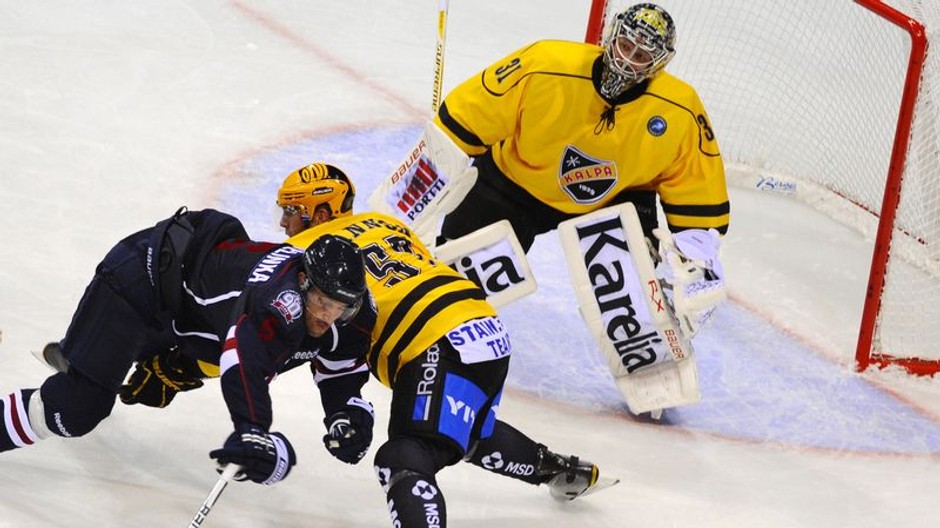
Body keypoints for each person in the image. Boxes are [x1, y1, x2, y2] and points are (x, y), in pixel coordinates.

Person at [277, 162, 611, 528]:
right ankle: (557, 469)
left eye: (291, 211)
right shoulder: (387, 223)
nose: (283, 223)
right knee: (457, 430)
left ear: (319, 212)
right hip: (484, 325)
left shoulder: (305, 251)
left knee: (403, 456)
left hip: (432, 339)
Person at [0, 207, 379, 486]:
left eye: (339, 308)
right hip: (140, 281)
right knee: (77, 409)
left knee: (101, 378)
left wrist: (346, 411)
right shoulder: (277, 301)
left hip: (191, 309)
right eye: (321, 304)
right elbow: (243, 360)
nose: (327, 317)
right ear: (301, 282)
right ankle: (86, 360)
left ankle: (92, 354)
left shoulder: (347, 309)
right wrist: (252, 430)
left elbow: (340, 366)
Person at [432, 3, 728, 332]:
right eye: (626, 45)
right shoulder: (547, 63)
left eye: (642, 55)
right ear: (613, 35)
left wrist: (700, 261)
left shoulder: (680, 109)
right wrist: (435, 168)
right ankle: (434, 327)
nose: (628, 60)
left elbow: (696, 185)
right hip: (513, 182)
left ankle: (647, 340)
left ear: (660, 62)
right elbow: (471, 112)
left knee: (638, 283)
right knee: (455, 285)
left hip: (613, 199)